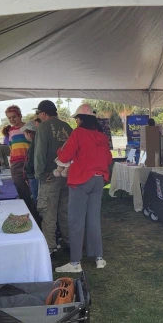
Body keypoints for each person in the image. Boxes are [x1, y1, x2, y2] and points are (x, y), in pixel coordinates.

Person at [55, 104, 113, 273]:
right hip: (98, 180)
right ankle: (99, 258)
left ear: (80, 119)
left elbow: (65, 156)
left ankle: (75, 263)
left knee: (76, 221)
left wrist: (60, 149)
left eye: (76, 118)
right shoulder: (101, 136)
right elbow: (108, 160)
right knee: (94, 219)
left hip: (81, 180)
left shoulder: (78, 133)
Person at [34, 100, 73, 254]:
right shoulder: (68, 127)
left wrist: (40, 175)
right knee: (66, 210)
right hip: (67, 175)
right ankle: (69, 241)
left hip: (50, 175)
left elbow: (40, 153)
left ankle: (50, 247)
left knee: (48, 212)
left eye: (38, 113)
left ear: (43, 113)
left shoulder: (43, 126)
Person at [4, 105, 33, 210]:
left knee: (31, 190)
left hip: (28, 162)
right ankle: (24, 211)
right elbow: (11, 147)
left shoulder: (28, 128)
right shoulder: (10, 131)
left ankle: (33, 213)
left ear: (20, 116)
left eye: (14, 117)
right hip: (16, 164)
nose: (12, 119)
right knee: (20, 189)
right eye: (9, 118)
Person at [22, 122, 38, 205]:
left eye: (25, 133)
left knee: (36, 198)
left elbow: (30, 161)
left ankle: (37, 216)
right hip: (34, 174)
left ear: (30, 133)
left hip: (33, 175)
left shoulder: (34, 145)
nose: (25, 135)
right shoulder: (36, 143)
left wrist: (27, 172)